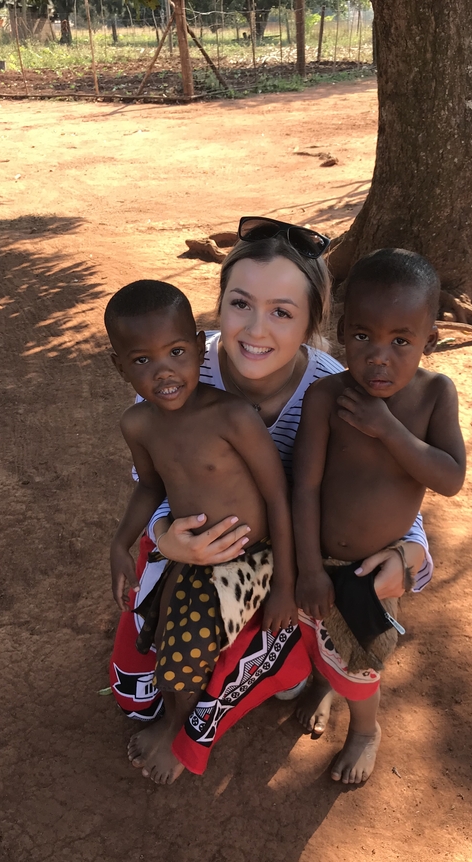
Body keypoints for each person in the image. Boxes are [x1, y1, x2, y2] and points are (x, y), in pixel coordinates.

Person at [108, 217, 435, 784]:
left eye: (282, 311)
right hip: (208, 550)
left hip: (295, 561)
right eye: (241, 304)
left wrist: (411, 562)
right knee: (137, 696)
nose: (256, 329)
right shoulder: (181, 364)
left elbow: (391, 494)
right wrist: (163, 536)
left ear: (313, 323)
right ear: (218, 308)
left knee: (291, 663)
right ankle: (250, 658)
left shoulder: (337, 389)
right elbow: (158, 476)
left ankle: (306, 675)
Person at [105, 279, 297, 783]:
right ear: (118, 365)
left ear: (198, 344)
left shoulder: (232, 416)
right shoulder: (138, 425)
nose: (164, 371)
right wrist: (119, 543)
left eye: (175, 352)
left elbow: (280, 496)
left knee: (186, 647)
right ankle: (171, 708)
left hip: (249, 555)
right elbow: (149, 487)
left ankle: (176, 731)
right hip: (188, 552)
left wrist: (284, 585)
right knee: (159, 627)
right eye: (141, 361)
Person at [292, 248, 467, 783]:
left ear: (429, 340)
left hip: (375, 570)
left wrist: (388, 428)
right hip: (319, 559)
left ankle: (365, 728)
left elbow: (450, 478)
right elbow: (305, 486)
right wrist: (310, 569)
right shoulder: (326, 396)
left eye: (401, 341)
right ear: (343, 331)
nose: (379, 358)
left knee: (363, 658)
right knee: (318, 635)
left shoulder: (435, 395)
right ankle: (323, 686)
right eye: (363, 337)